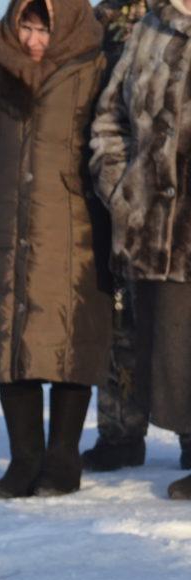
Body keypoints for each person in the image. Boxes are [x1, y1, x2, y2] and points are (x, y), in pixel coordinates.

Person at [0, 0, 111, 499]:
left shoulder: (95, 68)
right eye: (26, 27)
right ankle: (24, 458)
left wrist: (95, 201)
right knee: (9, 342)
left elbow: (113, 140)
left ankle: (62, 459)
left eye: (43, 29)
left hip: (73, 232)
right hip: (6, 230)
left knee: (70, 343)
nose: (34, 40)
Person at [92, 0, 191, 500]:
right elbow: (110, 121)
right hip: (157, 226)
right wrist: (122, 191)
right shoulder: (147, 32)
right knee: (171, 348)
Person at [82, 0, 156, 472]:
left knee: (179, 322)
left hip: (175, 202)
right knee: (116, 319)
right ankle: (120, 432)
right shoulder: (93, 23)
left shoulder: (179, 17)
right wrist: (113, 186)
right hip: (108, 195)